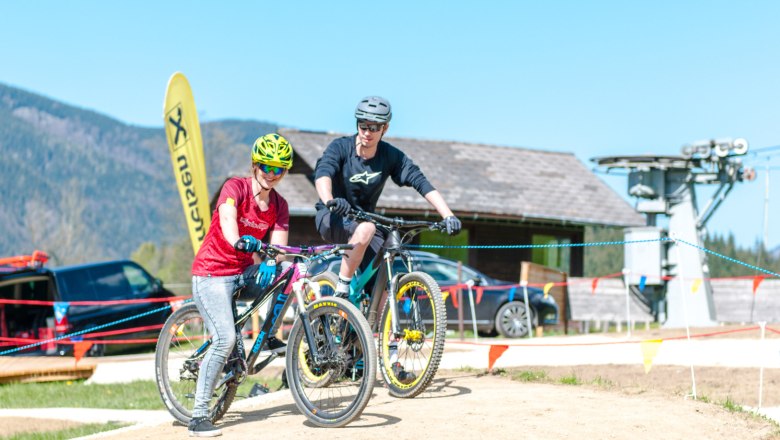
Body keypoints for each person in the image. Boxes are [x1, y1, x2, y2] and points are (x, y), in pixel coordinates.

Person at [187, 133, 293, 437]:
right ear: (255, 165)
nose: (272, 175)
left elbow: (279, 247)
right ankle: (198, 417)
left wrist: (272, 260)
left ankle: (270, 334)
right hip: (212, 274)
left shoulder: (280, 205)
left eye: (279, 169)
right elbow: (227, 217)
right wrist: (237, 241)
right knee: (225, 340)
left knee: (287, 272)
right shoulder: (235, 187)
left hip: (243, 273)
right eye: (266, 167)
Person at [314, 95, 461, 298]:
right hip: (333, 216)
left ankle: (377, 327)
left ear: (385, 128)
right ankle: (342, 288)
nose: (367, 132)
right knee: (367, 229)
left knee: (383, 279)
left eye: (374, 128)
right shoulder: (340, 147)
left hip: (366, 220)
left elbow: (421, 182)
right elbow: (323, 173)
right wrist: (329, 200)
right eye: (363, 126)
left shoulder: (390, 155)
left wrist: (448, 216)